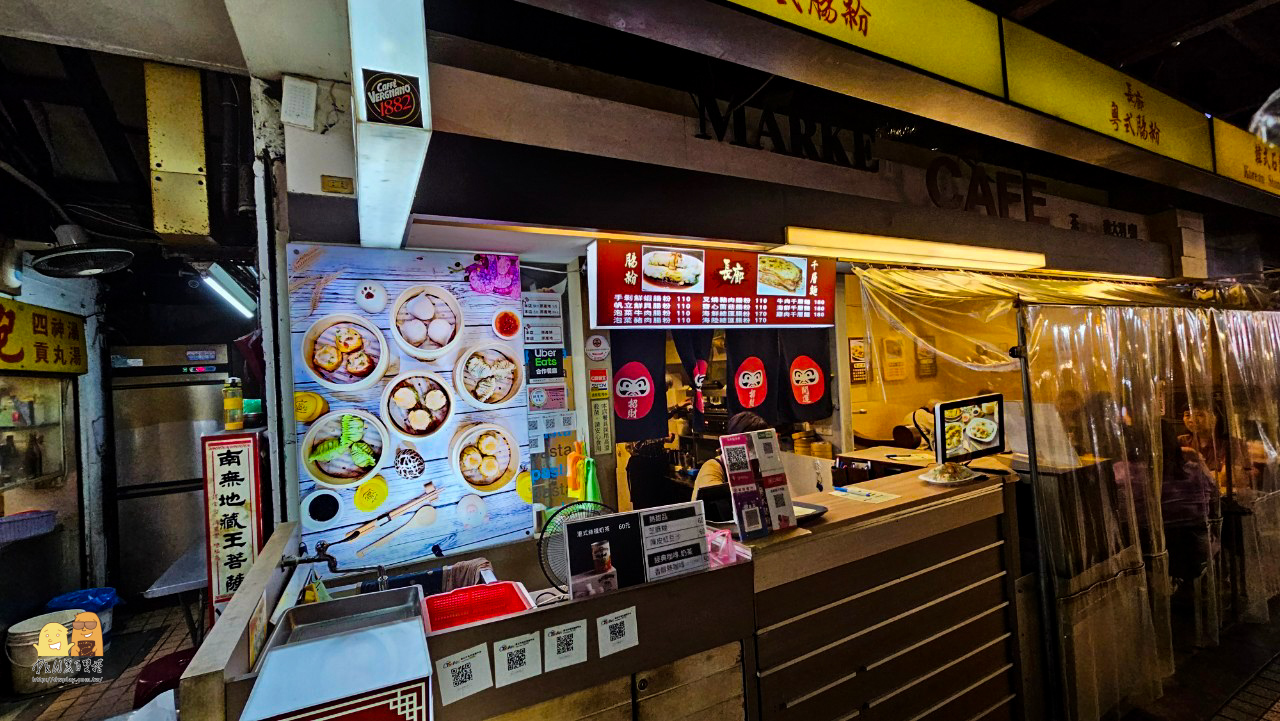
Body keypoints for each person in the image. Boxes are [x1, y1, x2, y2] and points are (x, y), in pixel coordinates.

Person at [690, 411, 770, 500]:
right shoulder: (712, 467)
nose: (753, 450)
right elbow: (716, 500)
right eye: (750, 443)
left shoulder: (758, 466)